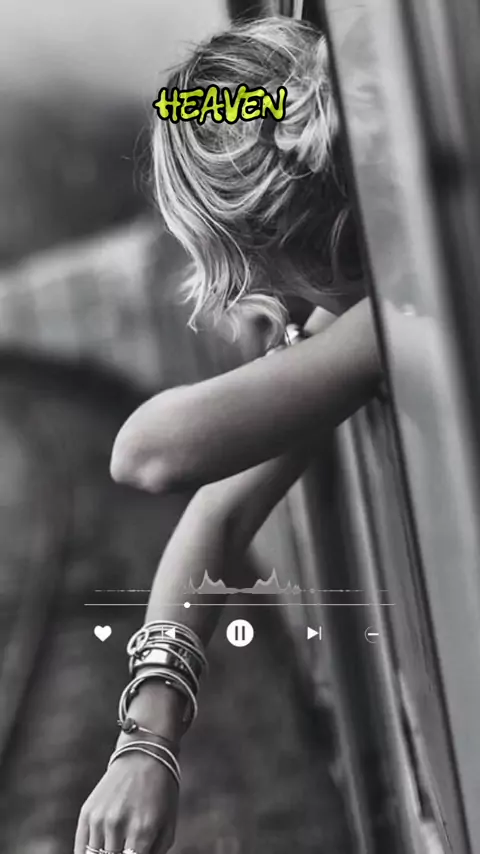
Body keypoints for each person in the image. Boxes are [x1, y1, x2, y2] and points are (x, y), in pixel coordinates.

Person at [74, 16, 382, 854]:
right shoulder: (360, 322)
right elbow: (215, 517)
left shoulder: (376, 326)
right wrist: (145, 743)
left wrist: (147, 745)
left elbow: (145, 453)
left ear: (253, 243)